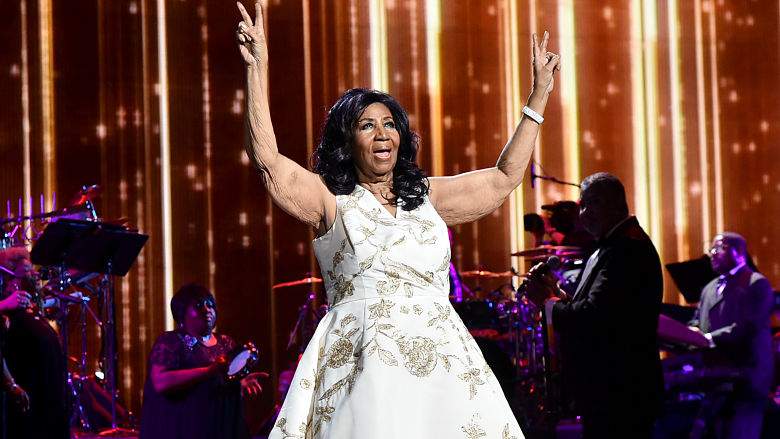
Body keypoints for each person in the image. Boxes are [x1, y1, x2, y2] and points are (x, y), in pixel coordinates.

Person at [234, 1, 559, 436]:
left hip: (441, 369)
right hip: (363, 369)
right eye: (367, 125)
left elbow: (503, 178)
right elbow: (269, 162)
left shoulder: (426, 196)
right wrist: (256, 69)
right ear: (347, 141)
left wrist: (537, 98)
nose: (382, 133)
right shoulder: (331, 200)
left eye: (389, 124)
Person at [525, 172, 664, 438]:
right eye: (582, 205)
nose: (584, 214)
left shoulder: (626, 249)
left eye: (591, 204)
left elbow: (593, 316)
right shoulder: (614, 244)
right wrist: (556, 293)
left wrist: (546, 302)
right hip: (612, 391)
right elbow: (598, 307)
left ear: (614, 203)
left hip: (622, 392)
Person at [139, 283, 265, 439]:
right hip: (184, 429)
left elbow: (222, 384)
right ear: (181, 312)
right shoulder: (171, 341)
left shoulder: (226, 343)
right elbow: (161, 382)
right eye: (198, 305)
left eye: (210, 304)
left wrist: (240, 383)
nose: (207, 310)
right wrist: (208, 371)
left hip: (219, 428)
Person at [687, 232, 774, 439]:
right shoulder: (709, 289)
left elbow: (747, 326)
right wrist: (689, 334)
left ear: (739, 252)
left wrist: (707, 338)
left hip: (748, 376)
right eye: (711, 249)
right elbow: (696, 320)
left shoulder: (756, 283)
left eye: (719, 247)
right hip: (715, 376)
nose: (712, 253)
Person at [0, 246, 69, 439]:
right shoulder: (8, 310)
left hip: (49, 394)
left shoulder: (30, 306)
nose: (35, 275)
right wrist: (12, 385)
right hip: (29, 397)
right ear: (12, 279)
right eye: (28, 271)